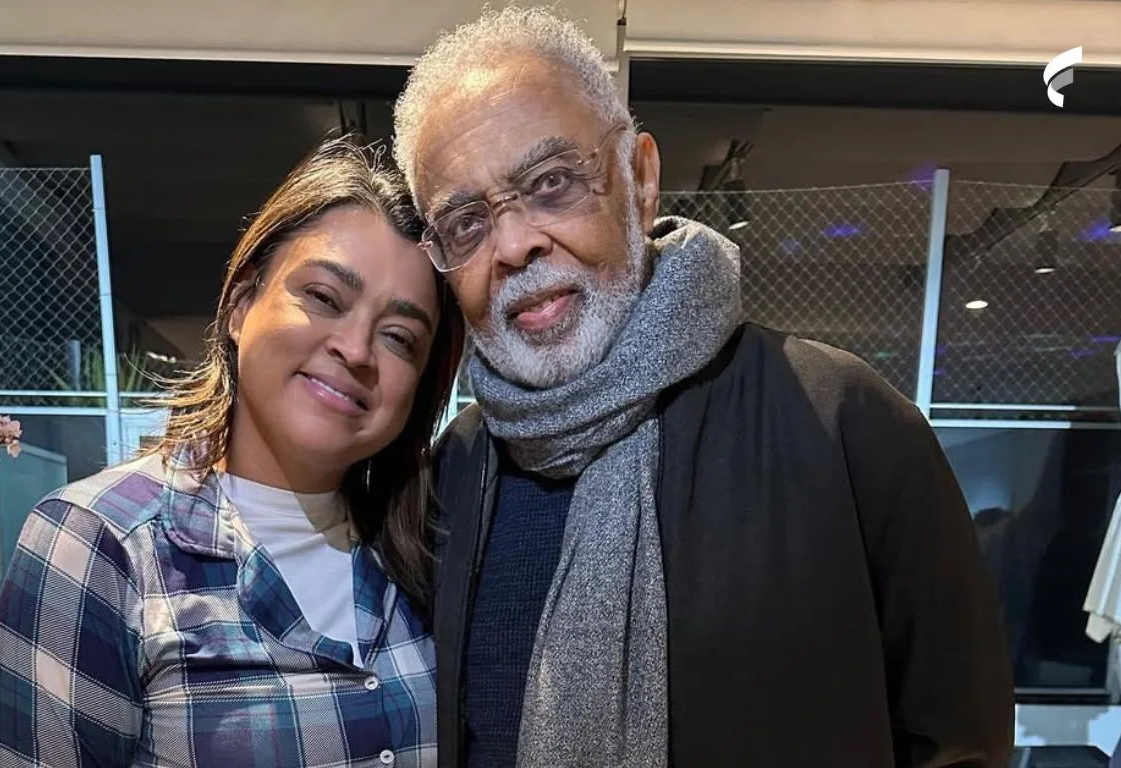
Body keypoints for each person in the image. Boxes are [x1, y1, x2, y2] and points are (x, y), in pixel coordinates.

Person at [392, 7, 1014, 767]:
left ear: (641, 179)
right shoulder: (452, 477)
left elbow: (960, 744)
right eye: (465, 221)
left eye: (552, 182)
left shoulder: (842, 424)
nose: (516, 243)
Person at [0, 136, 464, 767]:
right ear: (240, 307)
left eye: (399, 337)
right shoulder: (100, 543)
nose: (356, 348)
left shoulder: (420, 550)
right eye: (323, 298)